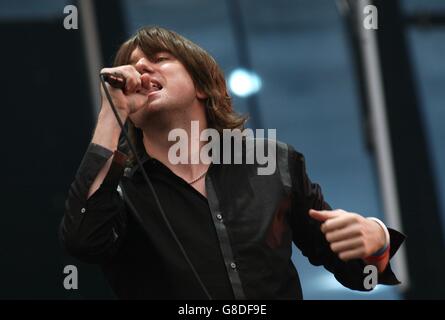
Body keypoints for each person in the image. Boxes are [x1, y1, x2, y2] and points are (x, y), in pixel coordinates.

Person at [59, 26, 405, 299]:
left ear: (203, 87)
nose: (141, 68)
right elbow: (83, 240)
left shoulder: (273, 162)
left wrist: (377, 241)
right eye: (133, 66)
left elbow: (356, 273)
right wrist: (112, 111)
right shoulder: (121, 192)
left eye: (160, 58)